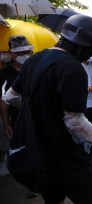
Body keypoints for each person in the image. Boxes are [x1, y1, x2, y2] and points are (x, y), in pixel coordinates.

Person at [2, 14, 92, 204]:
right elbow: (74, 121)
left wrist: (41, 109)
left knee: (53, 198)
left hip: (38, 153)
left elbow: (10, 96)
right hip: (64, 154)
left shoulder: (35, 59)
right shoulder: (71, 67)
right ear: (82, 44)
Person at [0, 35, 34, 177]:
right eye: (21, 53)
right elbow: (3, 100)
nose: (25, 56)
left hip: (34, 117)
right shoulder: (5, 74)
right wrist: (6, 123)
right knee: (16, 146)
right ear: (12, 53)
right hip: (15, 118)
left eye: (28, 52)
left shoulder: (35, 69)